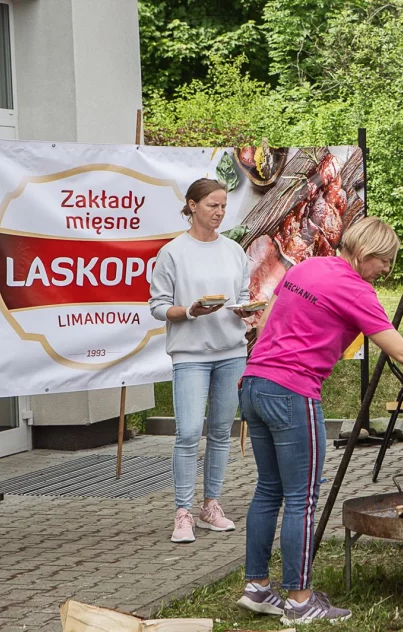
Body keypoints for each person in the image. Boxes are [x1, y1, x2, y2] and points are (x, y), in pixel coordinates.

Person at [235, 217, 403, 624]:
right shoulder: (355, 289)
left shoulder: (305, 267)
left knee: (268, 490)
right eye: (385, 262)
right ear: (365, 254)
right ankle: (300, 602)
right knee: (301, 498)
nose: (386, 270)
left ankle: (258, 588)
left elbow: (264, 324)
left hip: (253, 384)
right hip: (293, 392)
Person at [149, 178, 253, 544]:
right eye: (212, 205)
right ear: (192, 206)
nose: (219, 212)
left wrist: (247, 310)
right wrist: (190, 311)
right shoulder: (173, 252)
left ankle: (212, 505)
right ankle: (182, 512)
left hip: (231, 352)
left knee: (222, 432)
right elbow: (158, 307)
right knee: (190, 432)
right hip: (190, 354)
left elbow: (242, 295)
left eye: (223, 205)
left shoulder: (234, 251)